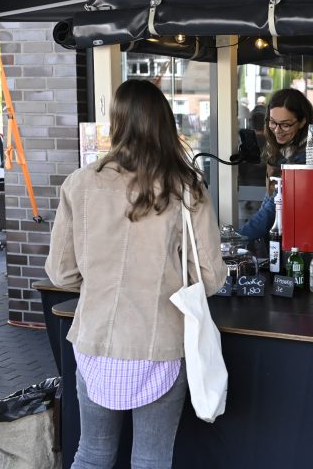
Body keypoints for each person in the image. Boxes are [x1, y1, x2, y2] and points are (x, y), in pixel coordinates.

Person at [45, 79, 227, 468]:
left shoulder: (79, 183)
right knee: (151, 461)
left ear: (117, 123)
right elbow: (211, 277)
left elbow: (61, 273)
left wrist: (101, 282)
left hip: (94, 340)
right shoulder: (186, 187)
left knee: (91, 455)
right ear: (164, 122)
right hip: (158, 344)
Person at [239, 88, 313, 241]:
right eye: (272, 123)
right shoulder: (282, 150)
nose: (277, 130)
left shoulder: (305, 158)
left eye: (285, 125)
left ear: (302, 122)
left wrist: (237, 239)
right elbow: (269, 201)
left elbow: (273, 209)